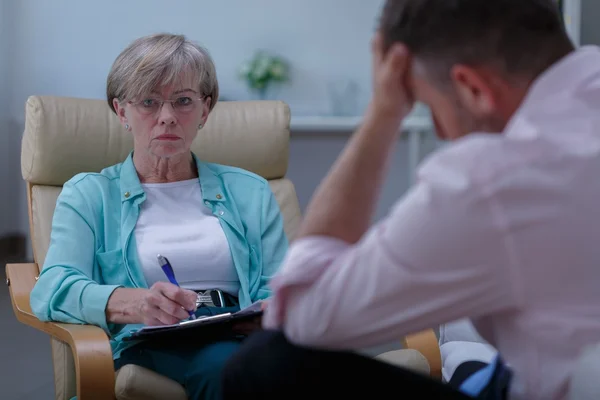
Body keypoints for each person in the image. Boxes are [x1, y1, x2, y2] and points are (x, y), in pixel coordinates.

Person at [221, 1, 600, 399]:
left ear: (473, 88)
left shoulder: (494, 176)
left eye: (428, 105)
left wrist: (384, 111)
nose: (441, 130)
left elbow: (301, 314)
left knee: (267, 362)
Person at [29, 33, 288, 400]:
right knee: (231, 371)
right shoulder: (89, 194)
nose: (166, 117)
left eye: (183, 101)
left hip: (238, 333)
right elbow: (52, 288)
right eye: (149, 102)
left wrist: (272, 309)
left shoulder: (250, 191)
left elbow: (279, 282)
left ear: (205, 110)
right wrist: (132, 302)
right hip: (152, 342)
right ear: (122, 112)